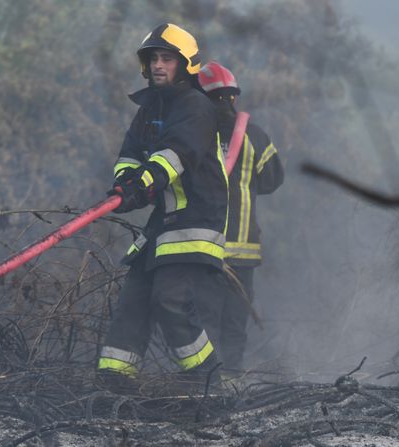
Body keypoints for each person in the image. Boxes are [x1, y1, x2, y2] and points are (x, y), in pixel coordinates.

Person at [96, 24, 228, 393]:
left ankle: (206, 380)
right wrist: (124, 184)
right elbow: (130, 153)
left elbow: (176, 154)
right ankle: (113, 384)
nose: (158, 65)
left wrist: (143, 183)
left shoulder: (196, 107)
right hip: (163, 224)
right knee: (132, 302)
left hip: (195, 221)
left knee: (169, 299)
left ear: (185, 64)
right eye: (153, 58)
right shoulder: (149, 108)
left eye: (167, 58)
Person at [197, 61, 284, 373]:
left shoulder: (192, 136)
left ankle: (206, 383)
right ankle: (227, 380)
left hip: (203, 249)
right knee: (232, 323)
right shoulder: (254, 136)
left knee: (205, 322)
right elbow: (273, 179)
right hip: (241, 251)